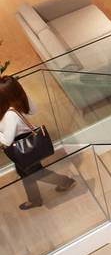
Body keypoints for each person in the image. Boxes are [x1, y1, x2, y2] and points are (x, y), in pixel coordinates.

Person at [0, 76, 75, 210]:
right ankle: (34, 199)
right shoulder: (20, 101)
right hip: (27, 140)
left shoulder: (10, 115)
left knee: (36, 173)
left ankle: (66, 181)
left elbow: (6, 140)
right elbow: (33, 110)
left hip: (21, 144)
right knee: (24, 172)